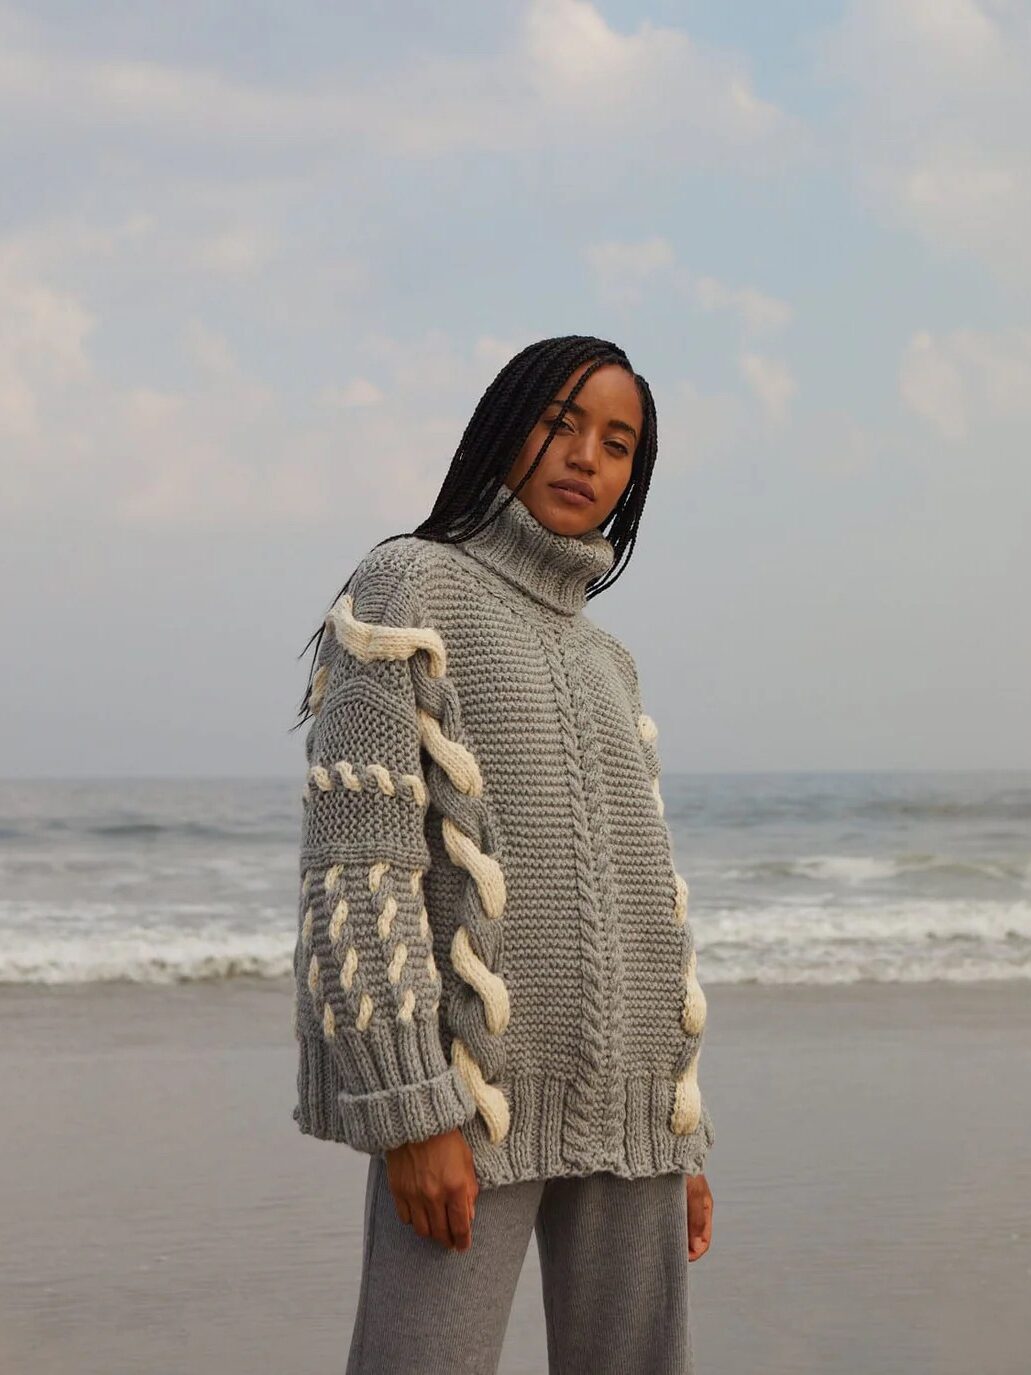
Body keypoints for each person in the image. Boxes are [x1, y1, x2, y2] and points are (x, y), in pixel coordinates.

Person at [290, 334, 715, 1374]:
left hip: (633, 1122)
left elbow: (643, 910)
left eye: (616, 444)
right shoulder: (403, 589)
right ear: (502, 422)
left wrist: (681, 1128)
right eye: (559, 421)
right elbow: (358, 870)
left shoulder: (610, 661)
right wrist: (407, 1112)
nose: (584, 456)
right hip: (463, 1105)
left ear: (632, 480)